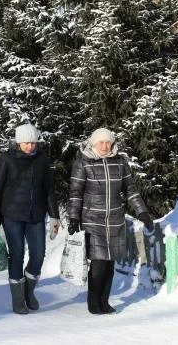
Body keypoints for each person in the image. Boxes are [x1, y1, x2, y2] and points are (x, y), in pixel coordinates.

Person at [69, 127, 154, 315]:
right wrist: (74, 217)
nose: (105, 146)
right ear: (93, 143)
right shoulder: (83, 163)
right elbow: (75, 193)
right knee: (99, 263)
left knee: (110, 264)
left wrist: (142, 212)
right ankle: (93, 301)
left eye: (108, 142)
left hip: (115, 219)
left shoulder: (120, 162)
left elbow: (130, 190)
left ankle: (104, 301)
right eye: (101, 142)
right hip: (92, 219)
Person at [0, 123, 59, 315]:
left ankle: (28, 291)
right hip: (12, 215)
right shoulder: (7, 159)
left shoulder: (42, 160)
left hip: (36, 215)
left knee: (38, 255)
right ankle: (18, 299)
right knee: (16, 254)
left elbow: (49, 189)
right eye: (27, 143)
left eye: (33, 142)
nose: (30, 146)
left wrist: (54, 216)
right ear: (18, 142)